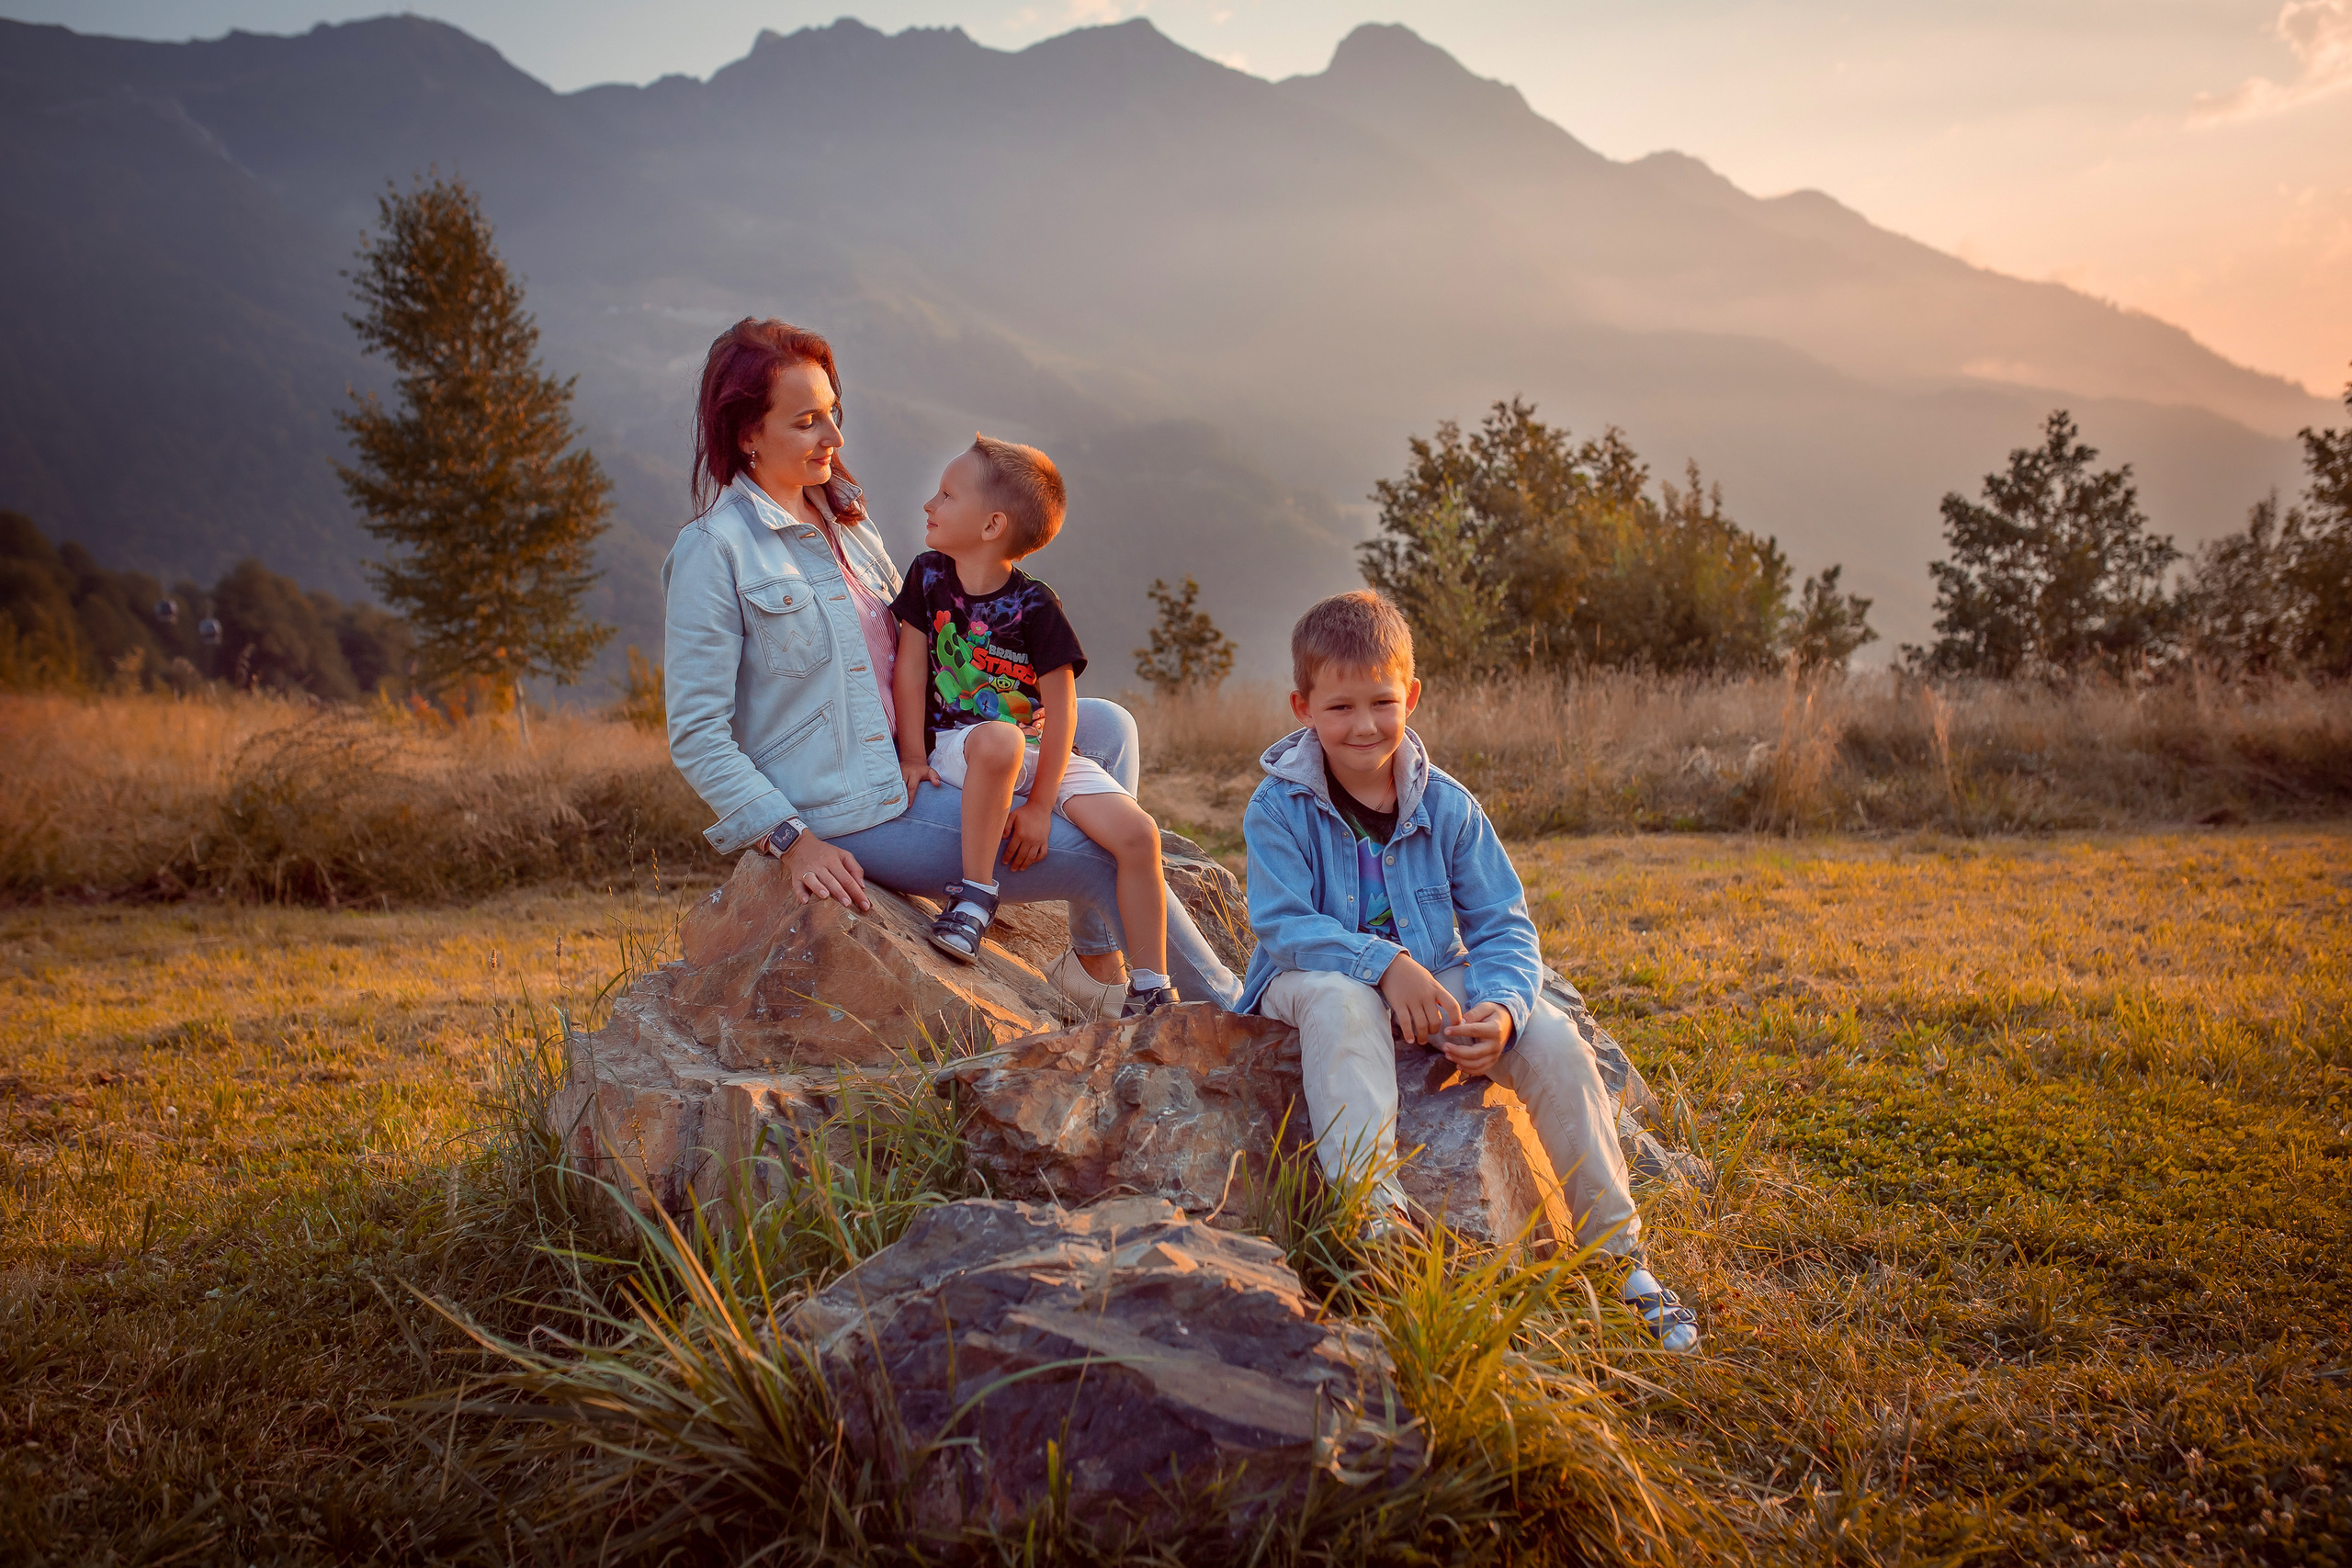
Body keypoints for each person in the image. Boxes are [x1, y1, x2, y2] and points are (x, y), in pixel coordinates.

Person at [662, 318, 1238, 1014]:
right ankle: (1234, 1009)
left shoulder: (842, 518)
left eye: (833, 414)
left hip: (920, 748)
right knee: (1103, 854)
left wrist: (1008, 698)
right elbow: (697, 733)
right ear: (747, 433)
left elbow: (915, 646)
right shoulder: (714, 551)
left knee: (1108, 727)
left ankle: (1092, 960)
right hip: (855, 803)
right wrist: (794, 841)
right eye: (807, 422)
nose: (834, 439)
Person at [1238, 590, 1699, 1352]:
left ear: (1411, 696)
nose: (1364, 725)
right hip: (1310, 978)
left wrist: (1506, 1010)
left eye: (1383, 701)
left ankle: (1622, 1259)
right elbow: (1285, 926)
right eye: (1341, 705)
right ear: (1302, 706)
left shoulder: (1447, 805)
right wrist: (1385, 963)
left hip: (1431, 981)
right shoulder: (1277, 807)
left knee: (1551, 1039)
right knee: (1343, 999)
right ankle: (1374, 1223)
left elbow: (1503, 925)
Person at [888, 436, 1177, 1015]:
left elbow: (1064, 707)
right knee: (1000, 739)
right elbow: (911, 670)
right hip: (958, 746)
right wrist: (912, 756)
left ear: (993, 524)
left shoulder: (1036, 606)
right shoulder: (927, 578)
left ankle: (1149, 988)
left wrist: (1043, 804)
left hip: (1036, 750)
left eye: (946, 495)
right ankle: (973, 899)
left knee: (1139, 835)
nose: (929, 505)